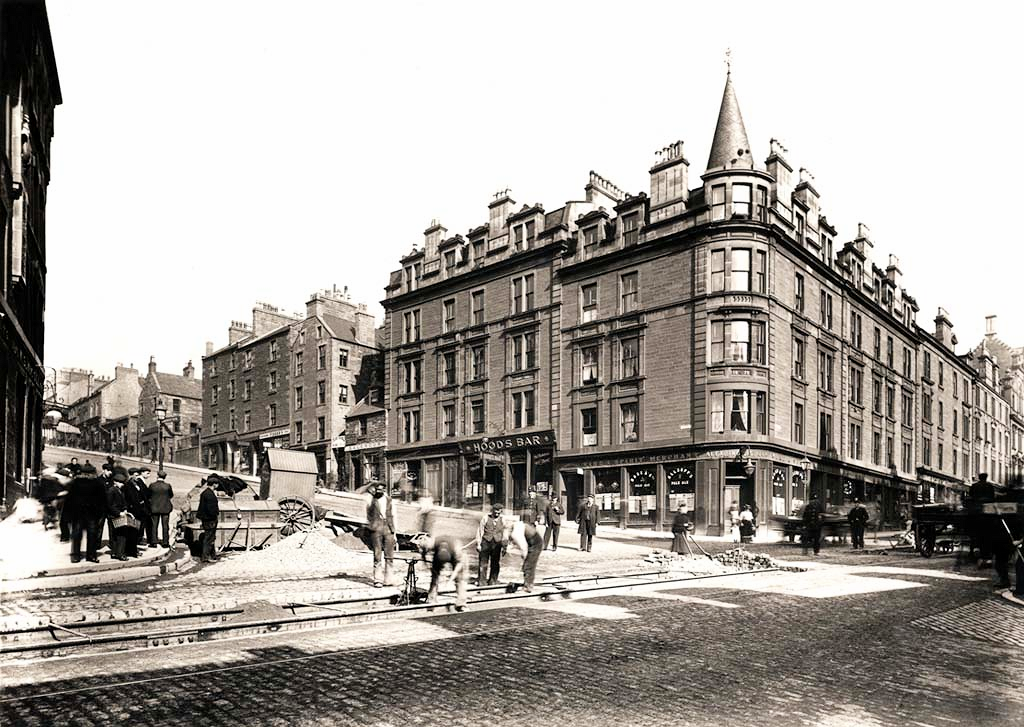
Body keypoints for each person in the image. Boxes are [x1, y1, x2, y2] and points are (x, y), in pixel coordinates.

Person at [66, 464, 106, 563]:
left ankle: (76, 556)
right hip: (91, 514)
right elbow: (102, 500)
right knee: (92, 535)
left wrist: (68, 515)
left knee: (77, 535)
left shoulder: (75, 483)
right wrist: (100, 513)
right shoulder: (98, 483)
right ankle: (91, 555)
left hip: (79, 514)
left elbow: (69, 500)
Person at [426, 534, 468, 611]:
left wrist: (450, 579)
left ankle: (461, 603)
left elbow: (459, 566)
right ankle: (431, 602)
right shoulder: (432, 543)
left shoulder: (456, 549)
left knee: (459, 579)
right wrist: (425, 563)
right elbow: (423, 550)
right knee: (434, 579)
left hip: (456, 556)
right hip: (438, 557)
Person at [366, 483, 396, 587]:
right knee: (377, 554)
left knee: (389, 555)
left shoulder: (389, 500)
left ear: (384, 490)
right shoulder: (370, 500)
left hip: (388, 528)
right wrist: (372, 525)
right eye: (377, 490)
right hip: (376, 529)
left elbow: (394, 515)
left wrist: (394, 532)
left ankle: (389, 579)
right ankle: (378, 579)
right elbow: (367, 514)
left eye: (381, 490)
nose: (379, 492)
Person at [476, 503, 510, 585]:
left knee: (495, 563)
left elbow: (505, 534)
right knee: (483, 563)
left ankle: (493, 581)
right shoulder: (485, 518)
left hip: (497, 544)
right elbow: (480, 531)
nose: (497, 514)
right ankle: (482, 581)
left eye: (499, 513)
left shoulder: (503, 520)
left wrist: (505, 546)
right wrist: (478, 544)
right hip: (486, 542)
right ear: (492, 511)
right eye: (495, 513)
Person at [509, 520, 544, 592]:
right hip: (531, 542)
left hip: (536, 543)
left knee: (529, 565)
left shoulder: (515, 533)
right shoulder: (514, 528)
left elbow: (523, 547)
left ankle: (528, 586)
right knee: (527, 565)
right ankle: (527, 583)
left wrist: (525, 557)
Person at [105, 473, 129, 561]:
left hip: (118, 515)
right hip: (113, 516)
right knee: (119, 535)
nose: (122, 484)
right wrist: (119, 513)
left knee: (116, 535)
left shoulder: (119, 490)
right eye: (120, 482)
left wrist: (125, 509)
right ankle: (120, 554)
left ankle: (115, 553)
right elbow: (109, 505)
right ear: (115, 482)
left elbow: (123, 502)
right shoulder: (111, 490)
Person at [196, 478, 220, 563]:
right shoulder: (210, 495)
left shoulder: (205, 492)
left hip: (206, 519)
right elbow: (211, 509)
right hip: (210, 519)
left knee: (211, 537)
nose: (218, 485)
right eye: (217, 484)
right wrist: (215, 515)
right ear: (214, 484)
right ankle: (205, 557)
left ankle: (212, 555)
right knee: (209, 538)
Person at [149, 470, 174, 548]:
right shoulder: (167, 486)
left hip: (154, 508)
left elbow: (148, 495)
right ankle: (165, 542)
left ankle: (153, 542)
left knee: (154, 525)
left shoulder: (152, 485)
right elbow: (171, 495)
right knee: (165, 525)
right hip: (165, 508)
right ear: (165, 477)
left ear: (157, 476)